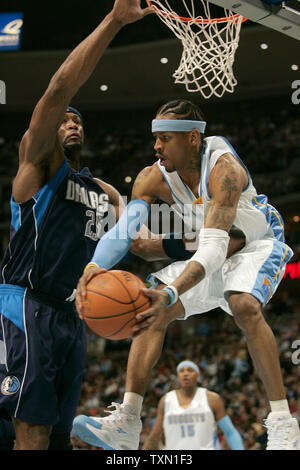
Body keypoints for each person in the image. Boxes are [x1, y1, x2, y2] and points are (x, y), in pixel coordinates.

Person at [73, 99, 300, 451]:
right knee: (151, 307)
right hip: (212, 243)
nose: (156, 146)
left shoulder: (223, 169)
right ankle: (127, 423)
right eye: (155, 138)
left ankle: (284, 423)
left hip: (256, 243)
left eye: (164, 139)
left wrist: (172, 290)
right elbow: (126, 233)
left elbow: (216, 249)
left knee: (242, 305)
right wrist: (94, 268)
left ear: (193, 138)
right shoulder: (151, 178)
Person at [0, 0, 152, 450]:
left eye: (76, 120)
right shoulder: (41, 163)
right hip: (26, 303)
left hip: (73, 315)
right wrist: (114, 20)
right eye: (64, 118)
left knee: (61, 435)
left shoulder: (106, 193)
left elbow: (140, 244)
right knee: (32, 425)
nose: (70, 122)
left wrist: (208, 248)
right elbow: (59, 88)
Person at [142, 360, 244, 450]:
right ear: (178, 376)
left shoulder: (212, 399)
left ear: (198, 376)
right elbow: (154, 436)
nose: (185, 374)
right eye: (182, 371)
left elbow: (230, 432)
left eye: (190, 370)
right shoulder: (166, 400)